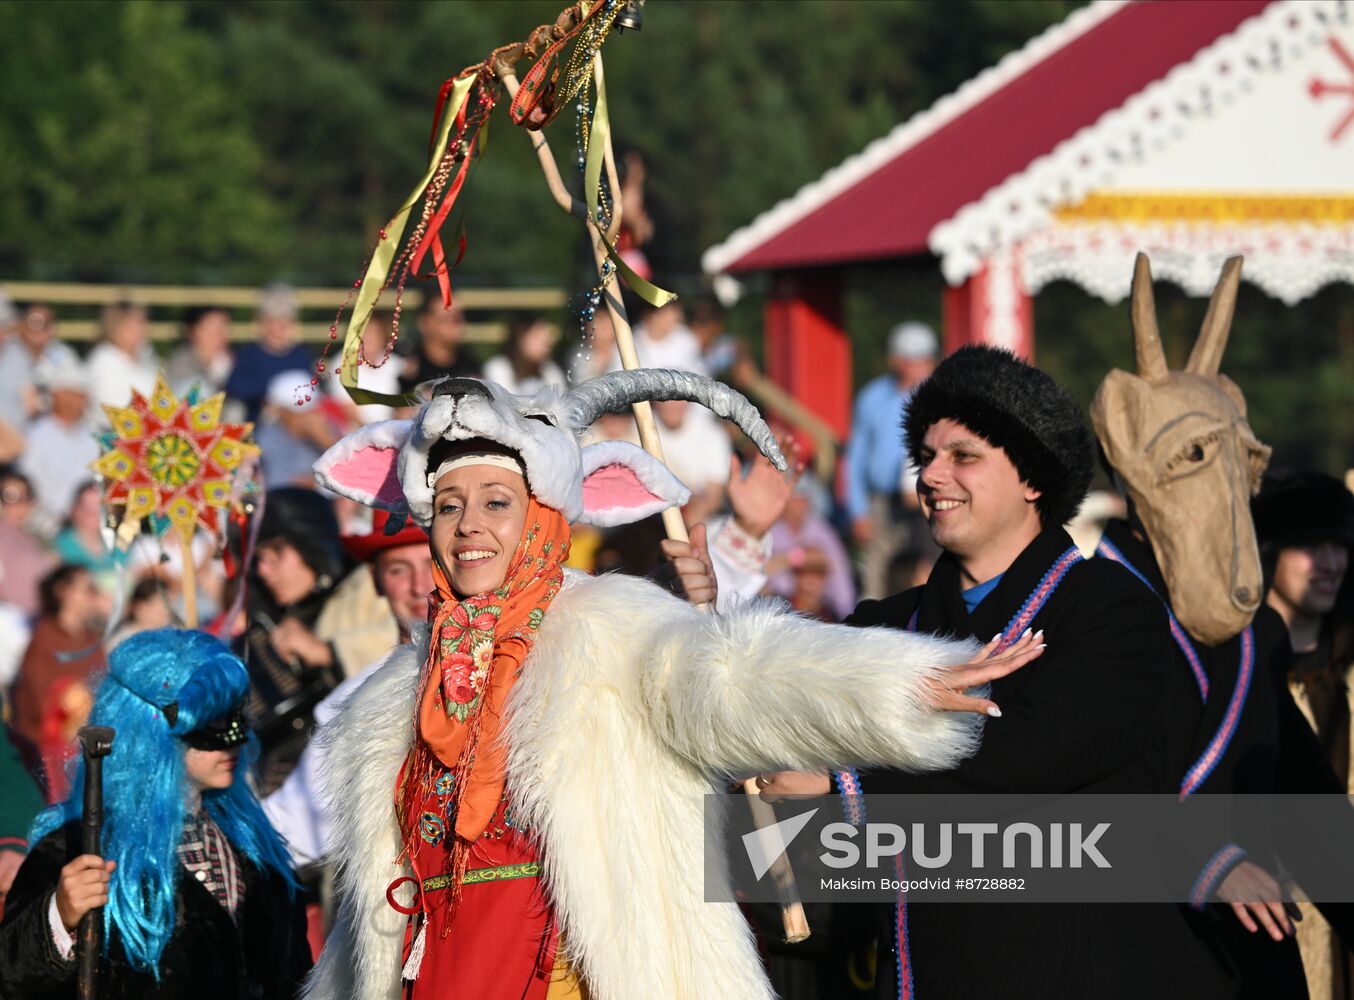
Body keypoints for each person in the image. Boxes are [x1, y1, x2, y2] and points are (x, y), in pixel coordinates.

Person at [302, 370, 1041, 1000]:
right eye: (449, 505)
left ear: (542, 514)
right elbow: (367, 923)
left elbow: (731, 673)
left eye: (496, 502)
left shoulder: (609, 627)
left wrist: (899, 683)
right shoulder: (397, 691)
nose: (469, 526)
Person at [758, 345, 1213, 998]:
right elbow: (769, 709)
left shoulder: (1112, 610)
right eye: (925, 457)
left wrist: (846, 784)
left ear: (1033, 479)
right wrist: (735, 549)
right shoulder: (888, 624)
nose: (930, 476)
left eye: (963, 456)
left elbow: (1030, 754)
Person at [1092, 255, 1354, 998]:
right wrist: (1198, 860)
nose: (1227, 484)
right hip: (1134, 961)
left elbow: (1312, 818)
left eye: (1240, 460)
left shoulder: (1256, 639)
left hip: (1254, 966)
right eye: (1197, 457)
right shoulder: (1083, 619)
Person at [0, 628, 311, 998]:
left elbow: (294, 973)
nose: (235, 739)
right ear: (150, 731)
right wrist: (59, 916)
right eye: (211, 722)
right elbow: (12, 975)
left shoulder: (254, 845)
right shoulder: (78, 847)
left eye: (237, 715)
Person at [264, 509, 432, 867]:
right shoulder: (353, 702)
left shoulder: (514, 666)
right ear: (375, 579)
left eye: (430, 564)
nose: (419, 586)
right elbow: (294, 826)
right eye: (399, 570)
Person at [1252, 470, 1354, 999]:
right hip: (1273, 931)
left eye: (1340, 546)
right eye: (1311, 545)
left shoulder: (1349, 671)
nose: (1330, 563)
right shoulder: (1239, 677)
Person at [239, 488, 347, 792]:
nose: (263, 570)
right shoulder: (266, 624)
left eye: (276, 553)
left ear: (310, 545)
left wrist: (328, 654)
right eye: (258, 558)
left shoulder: (368, 597)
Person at [843, 321, 938, 599]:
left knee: (926, 576)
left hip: (930, 501)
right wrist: (858, 510)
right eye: (911, 360)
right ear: (895, 360)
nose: (918, 367)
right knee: (875, 578)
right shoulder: (872, 398)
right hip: (883, 504)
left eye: (924, 360)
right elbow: (856, 457)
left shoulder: (942, 397)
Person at [8, 565, 106, 758]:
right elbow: (41, 703)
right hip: (47, 749)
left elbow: (103, 689)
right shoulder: (45, 638)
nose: (94, 596)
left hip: (87, 743)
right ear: (63, 591)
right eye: (88, 589)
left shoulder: (93, 641)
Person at [19, 361, 100, 525]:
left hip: (86, 523)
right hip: (43, 523)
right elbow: (30, 484)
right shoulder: (35, 436)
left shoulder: (93, 437)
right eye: (74, 394)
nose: (80, 401)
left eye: (83, 395)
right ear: (57, 395)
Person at [224, 284, 314, 423]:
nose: (278, 328)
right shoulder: (249, 355)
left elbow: (315, 392)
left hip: (301, 422)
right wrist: (271, 394)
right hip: (263, 423)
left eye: (284, 322)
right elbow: (234, 388)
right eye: (272, 321)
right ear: (262, 323)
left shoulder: (301, 356)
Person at [0, 304, 79, 430]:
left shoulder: (62, 354)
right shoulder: (6, 353)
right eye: (33, 322)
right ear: (22, 325)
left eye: (46, 323)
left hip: (53, 427)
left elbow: (74, 396)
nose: (39, 327)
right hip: (14, 426)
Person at [255, 370, 338, 490]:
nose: (308, 416)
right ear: (282, 412)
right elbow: (280, 485)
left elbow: (353, 470)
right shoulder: (268, 438)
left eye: (311, 409)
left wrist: (327, 442)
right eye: (300, 412)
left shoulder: (326, 428)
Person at [84, 301, 158, 418]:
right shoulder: (102, 363)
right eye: (138, 323)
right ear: (116, 328)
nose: (145, 328)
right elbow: (112, 410)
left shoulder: (147, 355)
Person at [0, 467, 56, 615]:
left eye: (25, 496)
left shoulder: (39, 538)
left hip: (38, 617)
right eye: (9, 496)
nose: (18, 504)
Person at [397, 295, 479, 394]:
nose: (457, 325)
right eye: (447, 318)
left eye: (460, 317)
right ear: (425, 323)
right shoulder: (406, 370)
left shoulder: (471, 368)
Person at [481, 314, 567, 396]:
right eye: (537, 336)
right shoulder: (498, 366)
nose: (546, 343)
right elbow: (505, 402)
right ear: (520, 337)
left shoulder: (551, 370)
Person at [164, 306, 235, 398]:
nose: (220, 336)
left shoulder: (233, 362)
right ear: (192, 332)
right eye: (211, 330)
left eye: (223, 328)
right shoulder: (180, 363)